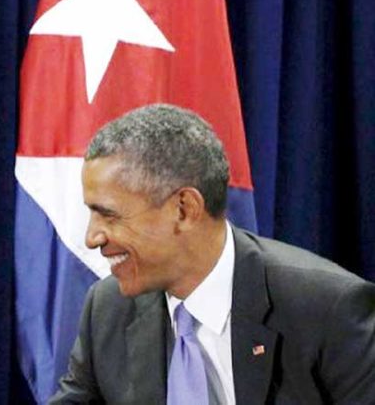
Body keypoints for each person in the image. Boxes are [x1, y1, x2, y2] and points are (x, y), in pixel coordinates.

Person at [49, 104, 375, 404]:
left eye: (109, 215)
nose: (92, 238)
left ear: (184, 209)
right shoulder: (108, 309)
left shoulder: (327, 309)